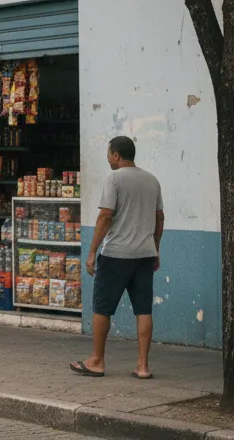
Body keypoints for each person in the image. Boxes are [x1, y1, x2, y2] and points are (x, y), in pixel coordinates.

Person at [71, 136, 164, 379]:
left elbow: (105, 216)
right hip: (145, 254)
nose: (107, 158)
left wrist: (92, 251)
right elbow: (160, 217)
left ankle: (97, 361)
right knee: (143, 309)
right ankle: (143, 366)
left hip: (116, 255)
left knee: (102, 307)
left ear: (117, 155)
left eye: (109, 153)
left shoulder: (114, 179)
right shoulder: (152, 180)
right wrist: (155, 248)